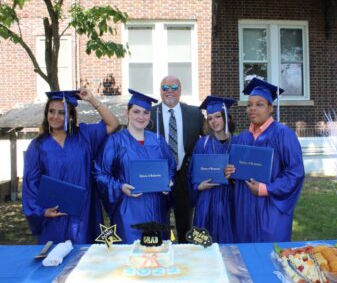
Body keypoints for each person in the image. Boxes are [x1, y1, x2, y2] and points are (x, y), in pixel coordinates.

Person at [22, 89, 120, 244]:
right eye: (51, 111)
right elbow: (30, 183)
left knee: (83, 257)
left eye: (61, 112)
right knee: (55, 258)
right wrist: (41, 212)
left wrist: (92, 100)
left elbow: (113, 123)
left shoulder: (85, 135)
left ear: (71, 116)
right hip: (54, 211)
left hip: (84, 210)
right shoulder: (38, 145)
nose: (55, 116)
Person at [225, 78, 305, 243]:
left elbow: (295, 173)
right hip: (244, 208)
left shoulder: (283, 134)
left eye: (259, 104)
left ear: (270, 108)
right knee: (246, 256)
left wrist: (265, 189)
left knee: (270, 257)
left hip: (271, 208)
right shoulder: (242, 138)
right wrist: (230, 174)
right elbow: (236, 174)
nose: (252, 108)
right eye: (249, 105)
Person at [94, 89, 176, 244]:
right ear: (127, 113)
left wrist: (169, 182)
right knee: (130, 256)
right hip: (128, 211)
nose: (141, 116)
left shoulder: (158, 141)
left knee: (157, 257)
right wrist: (120, 186)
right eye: (136, 111)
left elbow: (170, 168)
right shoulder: (115, 141)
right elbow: (100, 173)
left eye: (146, 112)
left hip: (157, 209)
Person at [149, 75, 204, 243]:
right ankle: (157, 256)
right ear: (160, 91)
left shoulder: (195, 114)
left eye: (174, 88)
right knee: (157, 221)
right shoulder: (150, 114)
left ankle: (185, 259)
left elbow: (210, 139)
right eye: (165, 88)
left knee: (185, 224)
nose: (170, 91)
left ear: (181, 91)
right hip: (157, 177)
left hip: (184, 176)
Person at [188, 96, 236, 243]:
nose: (214, 122)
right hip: (206, 201)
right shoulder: (202, 144)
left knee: (229, 246)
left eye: (217, 117)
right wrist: (198, 186)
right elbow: (192, 174)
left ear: (226, 117)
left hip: (229, 200)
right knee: (203, 245)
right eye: (210, 118)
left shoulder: (238, 143)